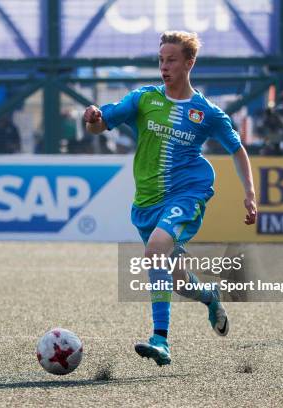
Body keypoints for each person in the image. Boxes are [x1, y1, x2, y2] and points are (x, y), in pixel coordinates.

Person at [84, 31, 257, 366]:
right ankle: (210, 297)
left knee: (154, 251)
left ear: (189, 63)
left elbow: (237, 150)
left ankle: (160, 340)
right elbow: (100, 123)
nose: (164, 66)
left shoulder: (206, 112)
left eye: (172, 60)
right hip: (147, 203)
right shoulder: (144, 99)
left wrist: (249, 194)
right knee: (179, 283)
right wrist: (91, 118)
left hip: (188, 192)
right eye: (161, 60)